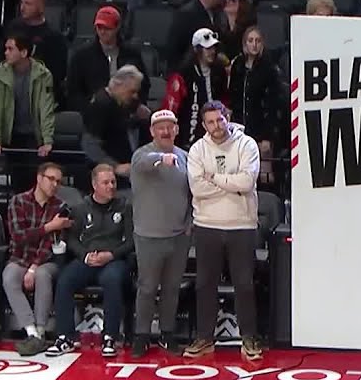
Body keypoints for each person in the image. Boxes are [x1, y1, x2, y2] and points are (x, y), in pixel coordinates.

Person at [184, 101, 263, 361]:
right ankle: (205, 338)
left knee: (244, 285)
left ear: (227, 117)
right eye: (210, 122)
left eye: (220, 119)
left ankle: (249, 338)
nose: (216, 126)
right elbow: (197, 188)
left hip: (242, 225)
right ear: (204, 125)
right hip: (207, 225)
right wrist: (232, 185)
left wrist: (214, 178)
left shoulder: (247, 144)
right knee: (205, 284)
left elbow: (247, 181)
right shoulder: (198, 149)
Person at [46, 164, 135, 358]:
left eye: (113, 182)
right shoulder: (80, 208)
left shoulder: (125, 207)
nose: (111, 186)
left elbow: (131, 241)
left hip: (113, 259)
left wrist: (111, 254)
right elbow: (71, 239)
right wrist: (85, 256)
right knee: (65, 279)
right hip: (88, 258)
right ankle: (65, 337)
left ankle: (110, 337)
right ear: (94, 185)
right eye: (106, 183)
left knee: (112, 279)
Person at [130, 110, 191, 358]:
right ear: (152, 131)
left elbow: (192, 193)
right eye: (160, 127)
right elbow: (143, 164)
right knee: (147, 288)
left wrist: (189, 224)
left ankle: (167, 334)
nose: (165, 131)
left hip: (179, 236)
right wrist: (161, 158)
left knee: (171, 288)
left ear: (177, 129)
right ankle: (141, 336)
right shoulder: (142, 155)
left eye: (170, 127)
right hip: (149, 236)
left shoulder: (186, 157)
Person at [3, 162, 71, 357]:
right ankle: (31, 332)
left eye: (58, 181)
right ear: (39, 178)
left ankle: (40, 330)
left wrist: (33, 267)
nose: (55, 185)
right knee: (9, 276)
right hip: (20, 257)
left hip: (46, 261)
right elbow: (18, 236)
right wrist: (48, 227)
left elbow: (51, 243)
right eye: (51, 179)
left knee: (42, 275)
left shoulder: (60, 207)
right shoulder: (18, 201)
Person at [65, 6, 150, 113]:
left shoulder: (132, 54)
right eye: (99, 27)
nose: (102, 32)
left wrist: (136, 105)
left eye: (107, 28)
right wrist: (89, 108)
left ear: (117, 27)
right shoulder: (81, 56)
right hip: (94, 113)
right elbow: (73, 91)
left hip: (127, 111)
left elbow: (144, 85)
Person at [162, 28, 228, 149]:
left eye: (213, 48)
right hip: (189, 136)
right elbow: (170, 109)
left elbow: (224, 100)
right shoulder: (183, 74)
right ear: (197, 50)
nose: (212, 52)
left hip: (216, 133)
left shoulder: (219, 71)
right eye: (208, 48)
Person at [228, 26, 283, 149]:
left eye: (257, 41)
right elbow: (232, 96)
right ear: (245, 43)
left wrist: (267, 136)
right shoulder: (238, 65)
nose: (254, 45)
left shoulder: (269, 68)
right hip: (239, 129)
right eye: (250, 40)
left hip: (260, 129)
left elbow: (272, 104)